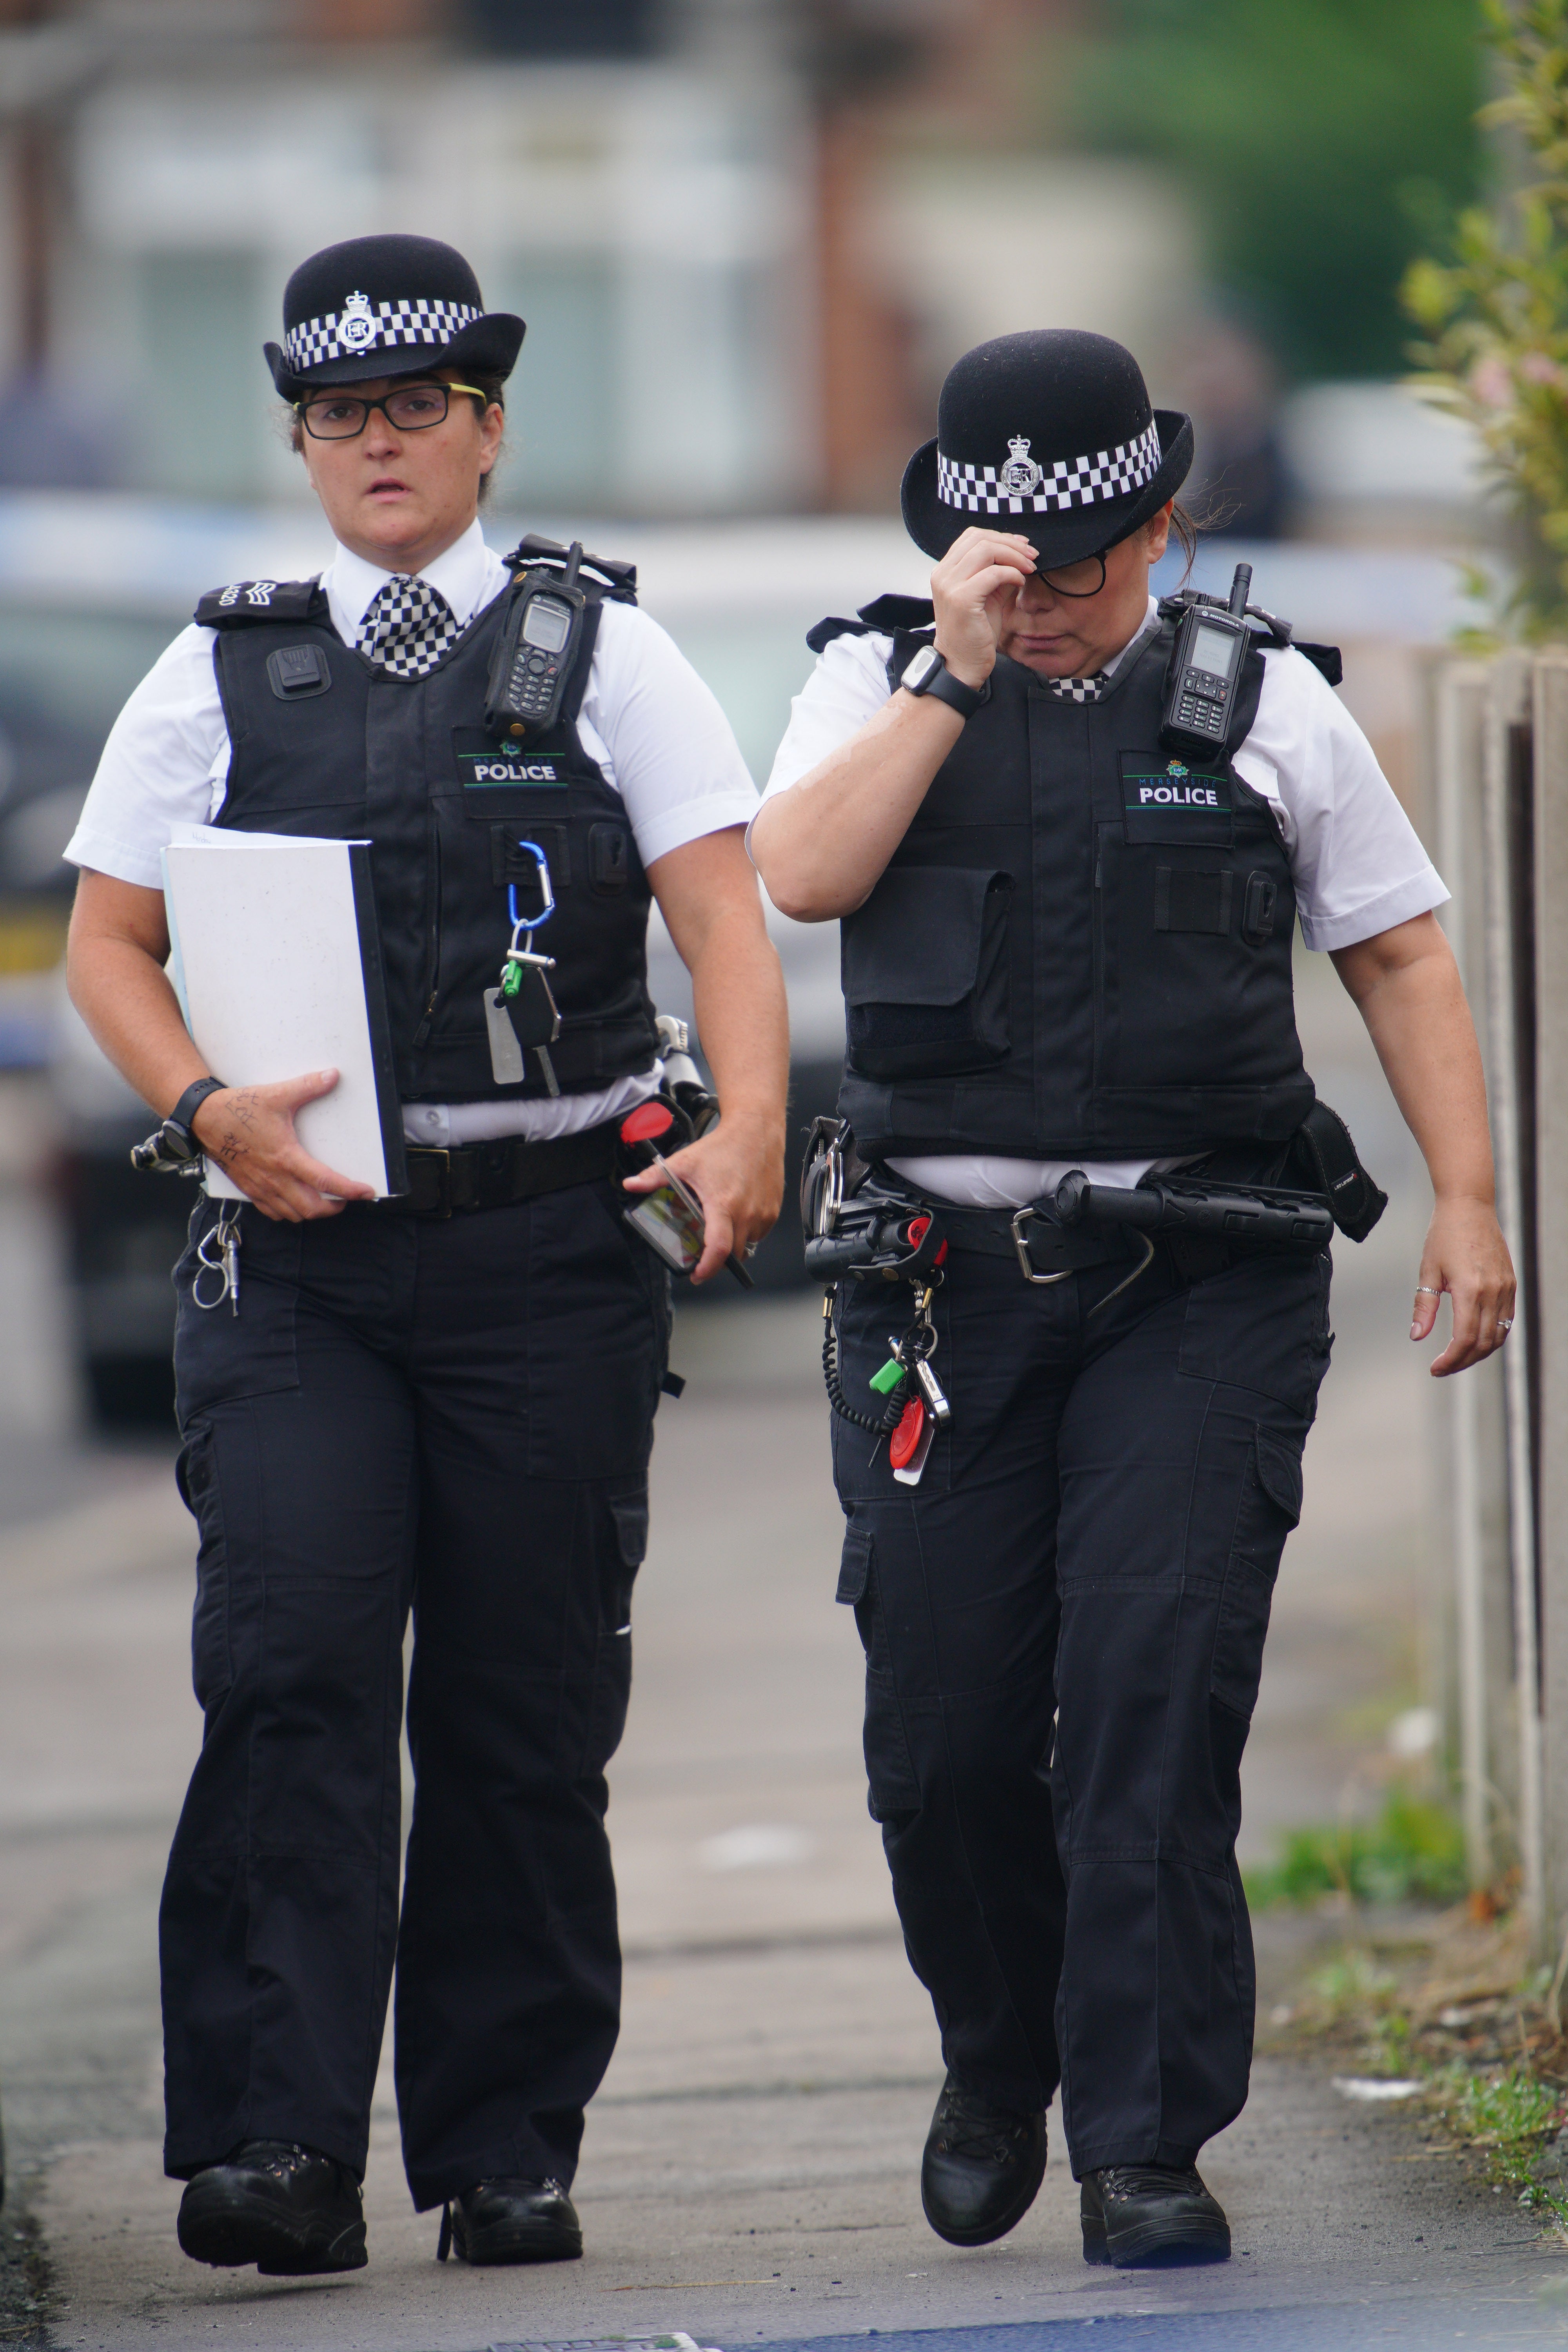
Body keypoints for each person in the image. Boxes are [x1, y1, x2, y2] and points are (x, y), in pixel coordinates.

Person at [749, 329, 1511, 2271]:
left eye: (1084, 563)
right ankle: (999, 2061)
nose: (1056, 598)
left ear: (1158, 528)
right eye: (1017, 558)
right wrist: (955, 668)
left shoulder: (1265, 705)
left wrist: (1471, 1203)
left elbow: (1400, 954)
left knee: (1154, 1711)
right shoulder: (870, 679)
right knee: (945, 1733)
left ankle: (1146, 2139)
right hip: (939, 1294)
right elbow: (802, 877)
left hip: (1201, 1280)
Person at [64, 234, 787, 2278]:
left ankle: (503, 2147)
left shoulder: (600, 653)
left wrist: (749, 1123)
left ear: (486, 429)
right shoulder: (218, 667)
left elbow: (724, 913)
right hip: (293, 1266)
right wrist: (208, 1111)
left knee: (519, 1704)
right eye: (336, 417)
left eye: (414, 411)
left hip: (544, 1250)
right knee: (290, 1676)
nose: (375, 448)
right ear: (298, 442)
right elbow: (111, 947)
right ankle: (276, 2149)